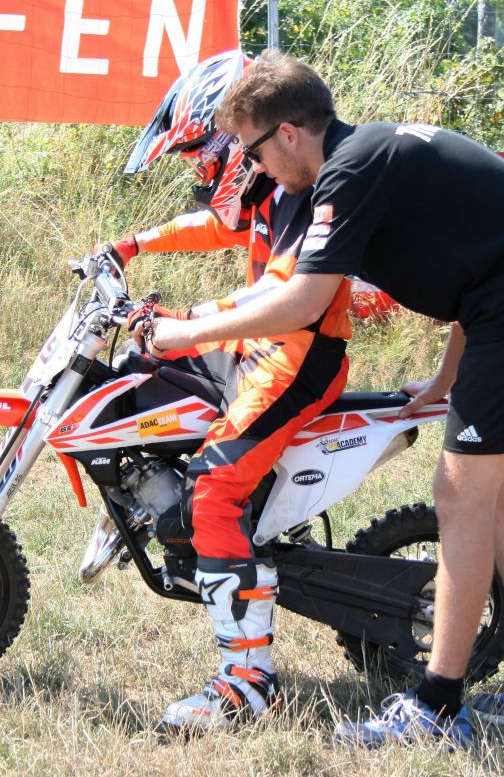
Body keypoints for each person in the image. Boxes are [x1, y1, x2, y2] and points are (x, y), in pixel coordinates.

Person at [148, 51, 504, 748]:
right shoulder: (366, 155)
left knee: (462, 500)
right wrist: (447, 381)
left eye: (255, 151)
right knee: (501, 501)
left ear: (289, 133)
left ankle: (438, 708)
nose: (255, 167)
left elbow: (303, 302)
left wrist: (184, 333)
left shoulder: (349, 171)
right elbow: (482, 261)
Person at [113, 50, 355, 732]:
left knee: (215, 489)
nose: (200, 172)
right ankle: (142, 505)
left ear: (237, 145)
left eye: (203, 156)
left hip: (295, 358)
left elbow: (277, 295)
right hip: (264, 346)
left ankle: (247, 683)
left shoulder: (308, 194)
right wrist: (130, 246)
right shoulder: (272, 187)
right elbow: (220, 227)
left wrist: (184, 320)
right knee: (142, 378)